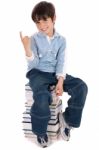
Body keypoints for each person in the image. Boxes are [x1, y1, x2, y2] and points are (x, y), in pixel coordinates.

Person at [20, 1, 88, 148]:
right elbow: (33, 64)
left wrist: (60, 81)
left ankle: (68, 120)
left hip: (55, 73)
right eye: (37, 22)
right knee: (43, 96)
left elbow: (61, 62)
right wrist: (27, 49)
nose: (41, 25)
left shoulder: (61, 40)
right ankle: (40, 132)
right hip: (37, 73)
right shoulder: (34, 39)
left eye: (45, 20)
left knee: (81, 87)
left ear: (53, 18)